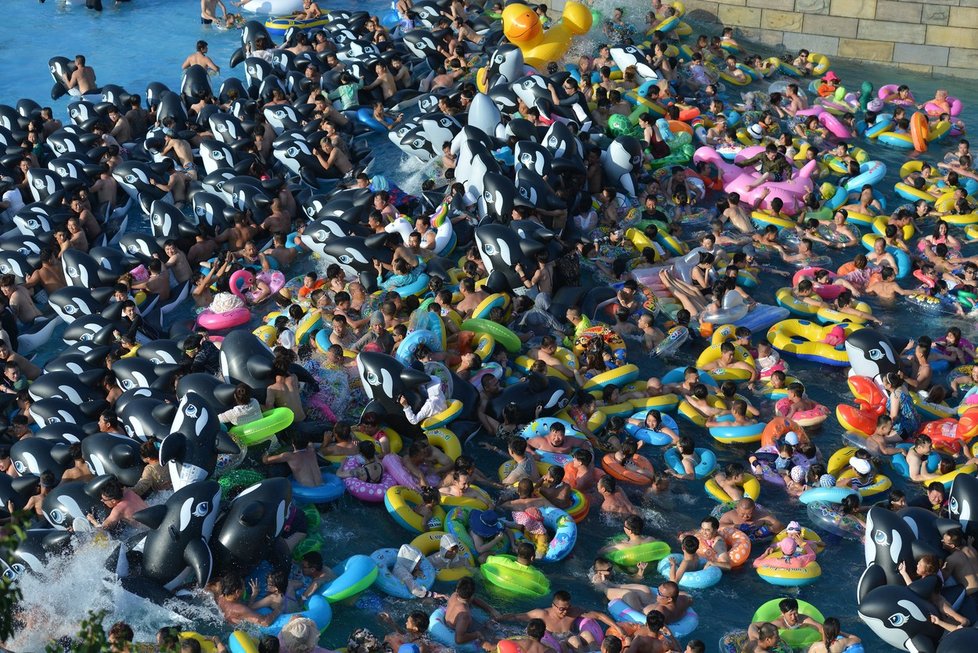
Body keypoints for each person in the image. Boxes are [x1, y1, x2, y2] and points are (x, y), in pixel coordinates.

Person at [499, 589, 615, 653]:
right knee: (569, 641)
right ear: (553, 605)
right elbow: (516, 617)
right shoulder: (541, 614)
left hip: (574, 643)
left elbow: (598, 615)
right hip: (553, 646)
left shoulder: (573, 612)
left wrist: (617, 627)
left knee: (584, 635)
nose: (565, 612)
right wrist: (497, 618)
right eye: (561, 609)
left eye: (567, 607)